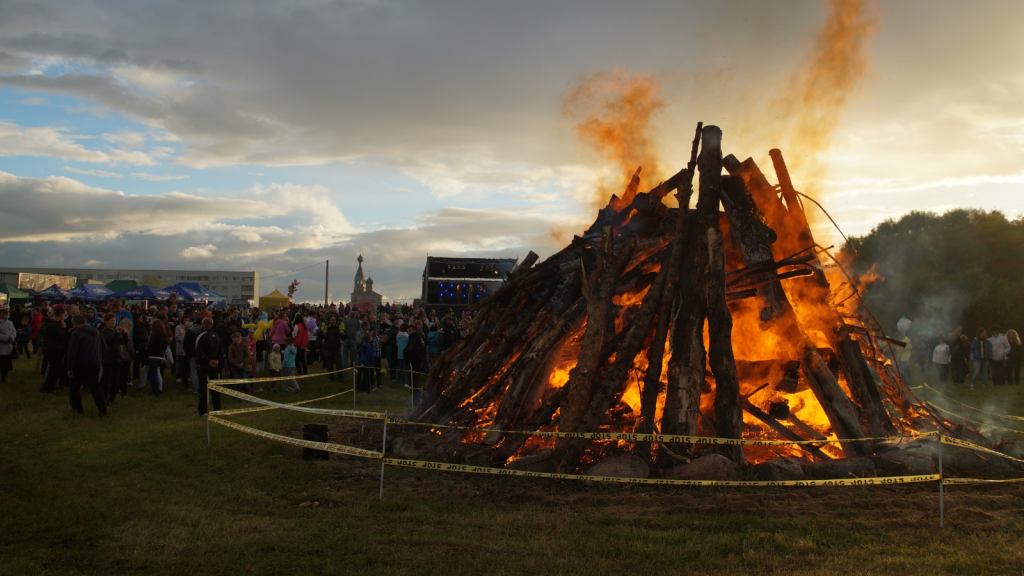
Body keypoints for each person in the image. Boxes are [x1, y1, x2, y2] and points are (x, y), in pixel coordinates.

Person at [65, 315, 107, 416]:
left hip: (80, 364)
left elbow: (72, 352)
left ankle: (77, 407)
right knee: (95, 387)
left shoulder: (77, 334)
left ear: (74, 323)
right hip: (95, 363)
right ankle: (102, 408)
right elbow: (104, 348)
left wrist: (70, 367)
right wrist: (100, 359)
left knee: (74, 387)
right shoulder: (96, 332)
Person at [195, 317, 224, 415]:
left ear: (203, 325)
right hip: (215, 365)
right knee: (215, 387)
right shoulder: (217, 337)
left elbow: (199, 351)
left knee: (203, 388)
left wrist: (208, 361)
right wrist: (216, 361)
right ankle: (217, 408)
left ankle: (203, 410)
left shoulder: (201, 336)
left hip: (204, 365)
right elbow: (221, 351)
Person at [98, 313, 127, 405]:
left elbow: (122, 342)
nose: (113, 322)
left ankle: (112, 398)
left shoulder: (115, 331)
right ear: (106, 322)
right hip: (108, 359)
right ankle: (105, 398)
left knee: (115, 380)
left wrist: (125, 333)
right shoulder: (103, 332)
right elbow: (108, 342)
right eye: (111, 321)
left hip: (117, 358)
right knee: (107, 380)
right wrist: (116, 334)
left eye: (114, 321)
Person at [40, 308, 69, 393]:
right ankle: (48, 387)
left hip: (51, 348)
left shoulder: (50, 324)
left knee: (54, 368)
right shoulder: (53, 325)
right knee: (55, 369)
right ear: (61, 315)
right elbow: (61, 336)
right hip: (53, 349)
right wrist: (64, 328)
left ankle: (48, 386)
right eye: (63, 316)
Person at [145, 319, 170, 397]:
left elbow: (151, 346)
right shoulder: (164, 336)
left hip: (153, 356)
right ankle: (159, 389)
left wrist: (146, 351)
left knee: (154, 375)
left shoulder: (154, 335)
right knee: (157, 373)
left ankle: (155, 391)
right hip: (160, 356)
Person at [404, 323, 427, 403]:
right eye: (407, 331)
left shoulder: (415, 338)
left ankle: (416, 400)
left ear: (414, 330)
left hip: (414, 363)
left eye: (410, 330)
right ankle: (415, 399)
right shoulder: (416, 338)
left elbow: (413, 351)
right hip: (416, 362)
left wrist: (410, 360)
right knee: (413, 381)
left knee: (414, 382)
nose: (408, 332)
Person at [320, 314, 344, 380]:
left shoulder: (338, 328)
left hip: (337, 348)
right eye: (332, 320)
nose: (333, 321)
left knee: (339, 363)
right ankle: (331, 377)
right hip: (328, 349)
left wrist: (342, 333)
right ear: (329, 321)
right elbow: (319, 335)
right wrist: (323, 333)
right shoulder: (326, 329)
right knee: (329, 364)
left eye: (334, 320)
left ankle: (340, 376)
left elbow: (345, 336)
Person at [0, 307, 15, 383]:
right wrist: (6, 338)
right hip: (1, 346)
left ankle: (4, 379)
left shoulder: (10, 322)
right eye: (2, 314)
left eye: (5, 314)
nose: (4, 315)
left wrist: (11, 337)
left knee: (6, 365)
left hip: (8, 347)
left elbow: (14, 332)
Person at [358, 329, 374, 393]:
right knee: (367, 377)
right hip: (367, 363)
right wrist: (372, 361)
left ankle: (362, 388)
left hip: (363, 362)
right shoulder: (368, 346)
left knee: (365, 376)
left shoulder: (364, 345)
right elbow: (370, 354)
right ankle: (366, 389)